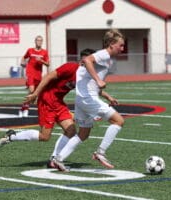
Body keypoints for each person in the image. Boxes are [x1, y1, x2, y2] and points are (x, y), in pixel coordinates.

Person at [0, 49, 96, 168]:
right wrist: (35, 94)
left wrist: (107, 99)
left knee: (71, 131)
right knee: (45, 136)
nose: (93, 64)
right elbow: (49, 76)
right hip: (47, 100)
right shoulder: (70, 67)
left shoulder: (85, 75)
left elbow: (93, 91)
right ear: (83, 61)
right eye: (91, 61)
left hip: (58, 102)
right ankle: (11, 136)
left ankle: (54, 159)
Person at [53, 29, 125, 172]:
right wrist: (98, 80)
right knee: (118, 121)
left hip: (81, 99)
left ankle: (58, 159)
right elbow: (87, 60)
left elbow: (88, 79)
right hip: (88, 99)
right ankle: (100, 152)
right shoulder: (104, 54)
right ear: (111, 44)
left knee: (83, 134)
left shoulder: (105, 58)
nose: (122, 48)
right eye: (120, 45)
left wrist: (107, 96)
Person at [19, 35, 49, 117]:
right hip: (30, 73)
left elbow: (48, 64)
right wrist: (22, 63)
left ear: (42, 42)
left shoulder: (44, 52)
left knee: (34, 94)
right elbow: (24, 58)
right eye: (37, 40)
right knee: (32, 90)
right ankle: (26, 109)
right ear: (35, 41)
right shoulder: (30, 50)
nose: (39, 42)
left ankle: (23, 107)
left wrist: (41, 60)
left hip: (38, 75)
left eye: (40, 40)